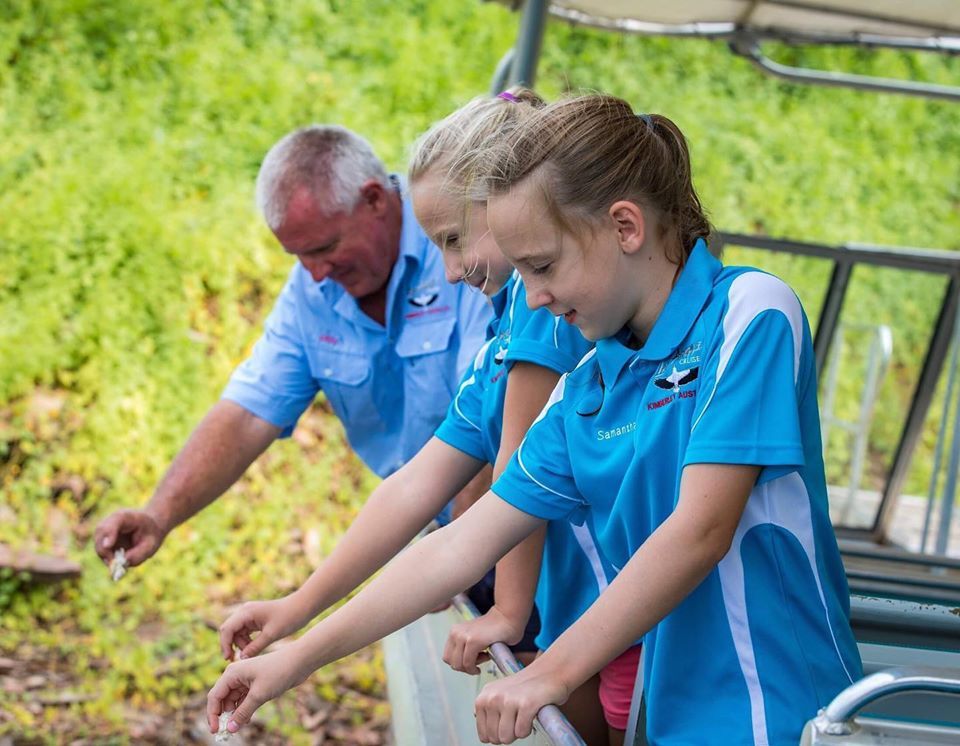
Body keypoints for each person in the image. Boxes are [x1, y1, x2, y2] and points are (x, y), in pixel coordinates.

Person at [206, 94, 862, 745]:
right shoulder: (587, 386)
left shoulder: (750, 313)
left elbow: (699, 530)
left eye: (543, 267)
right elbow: (458, 545)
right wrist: (295, 658)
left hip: (779, 716)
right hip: (665, 720)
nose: (536, 298)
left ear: (626, 227)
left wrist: (549, 670)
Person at [215, 91, 623, 745]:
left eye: (455, 240)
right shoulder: (508, 329)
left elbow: (515, 479)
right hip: (580, 618)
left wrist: (510, 609)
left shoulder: (543, 315)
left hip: (609, 623)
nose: (451, 270)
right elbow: (415, 487)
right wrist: (297, 615)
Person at [93, 125, 491, 570]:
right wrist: (158, 515)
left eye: (324, 247)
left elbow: (493, 413)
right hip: (431, 536)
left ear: (375, 199)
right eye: (299, 256)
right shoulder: (311, 292)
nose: (316, 273)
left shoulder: (460, 242)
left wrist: (456, 548)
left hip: (516, 526)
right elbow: (247, 414)